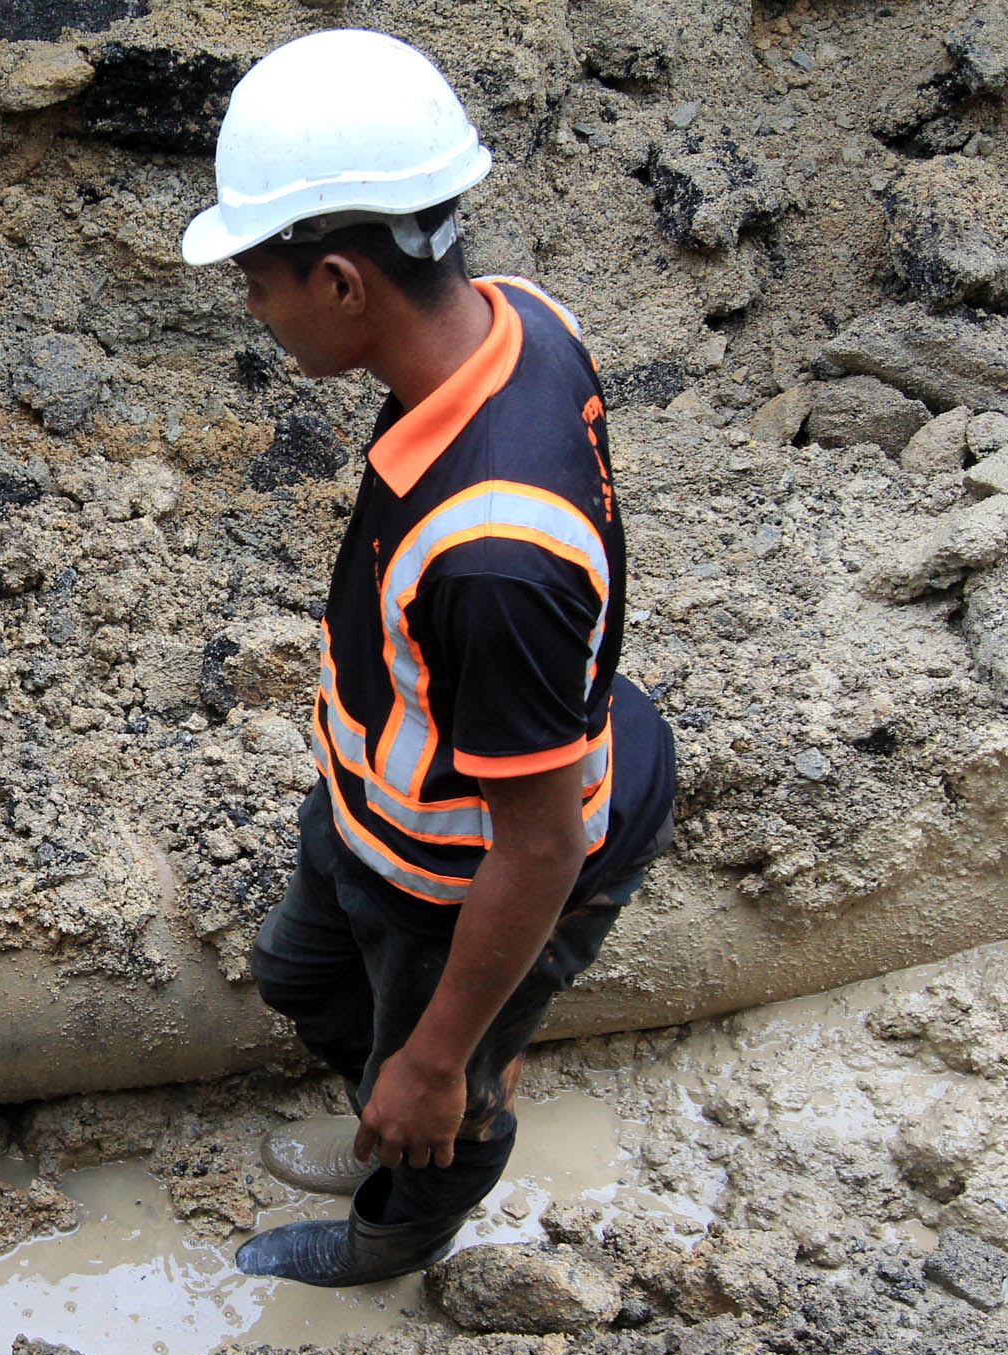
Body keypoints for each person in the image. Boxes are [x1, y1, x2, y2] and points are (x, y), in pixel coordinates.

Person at [180, 30, 677, 1285]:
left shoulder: (493, 557)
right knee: (300, 968)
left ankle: (402, 1213)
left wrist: (442, 1053)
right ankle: (399, 1098)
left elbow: (543, 842)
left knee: (435, 1082)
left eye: (257, 274)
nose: (250, 302)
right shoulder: (519, 319)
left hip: (472, 867)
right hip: (394, 802)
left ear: (344, 283)